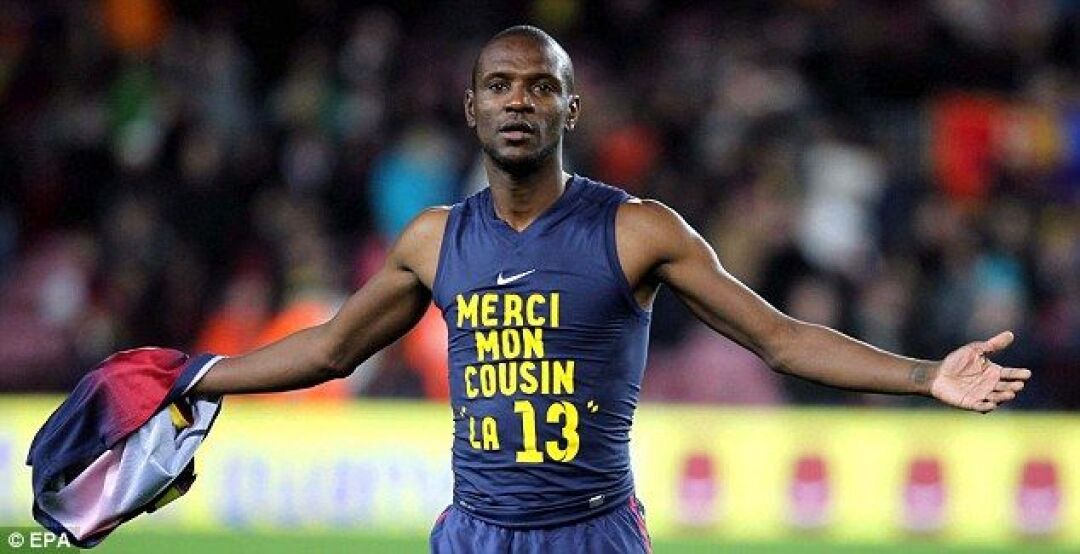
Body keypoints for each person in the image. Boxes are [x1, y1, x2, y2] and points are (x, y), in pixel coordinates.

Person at [190, 25, 1031, 553]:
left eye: (541, 86)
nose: (519, 101)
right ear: (472, 109)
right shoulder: (434, 239)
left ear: (572, 109)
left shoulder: (638, 230)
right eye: (499, 86)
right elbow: (331, 349)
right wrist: (192, 378)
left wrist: (926, 374)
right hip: (475, 534)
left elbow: (779, 338)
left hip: (594, 533)